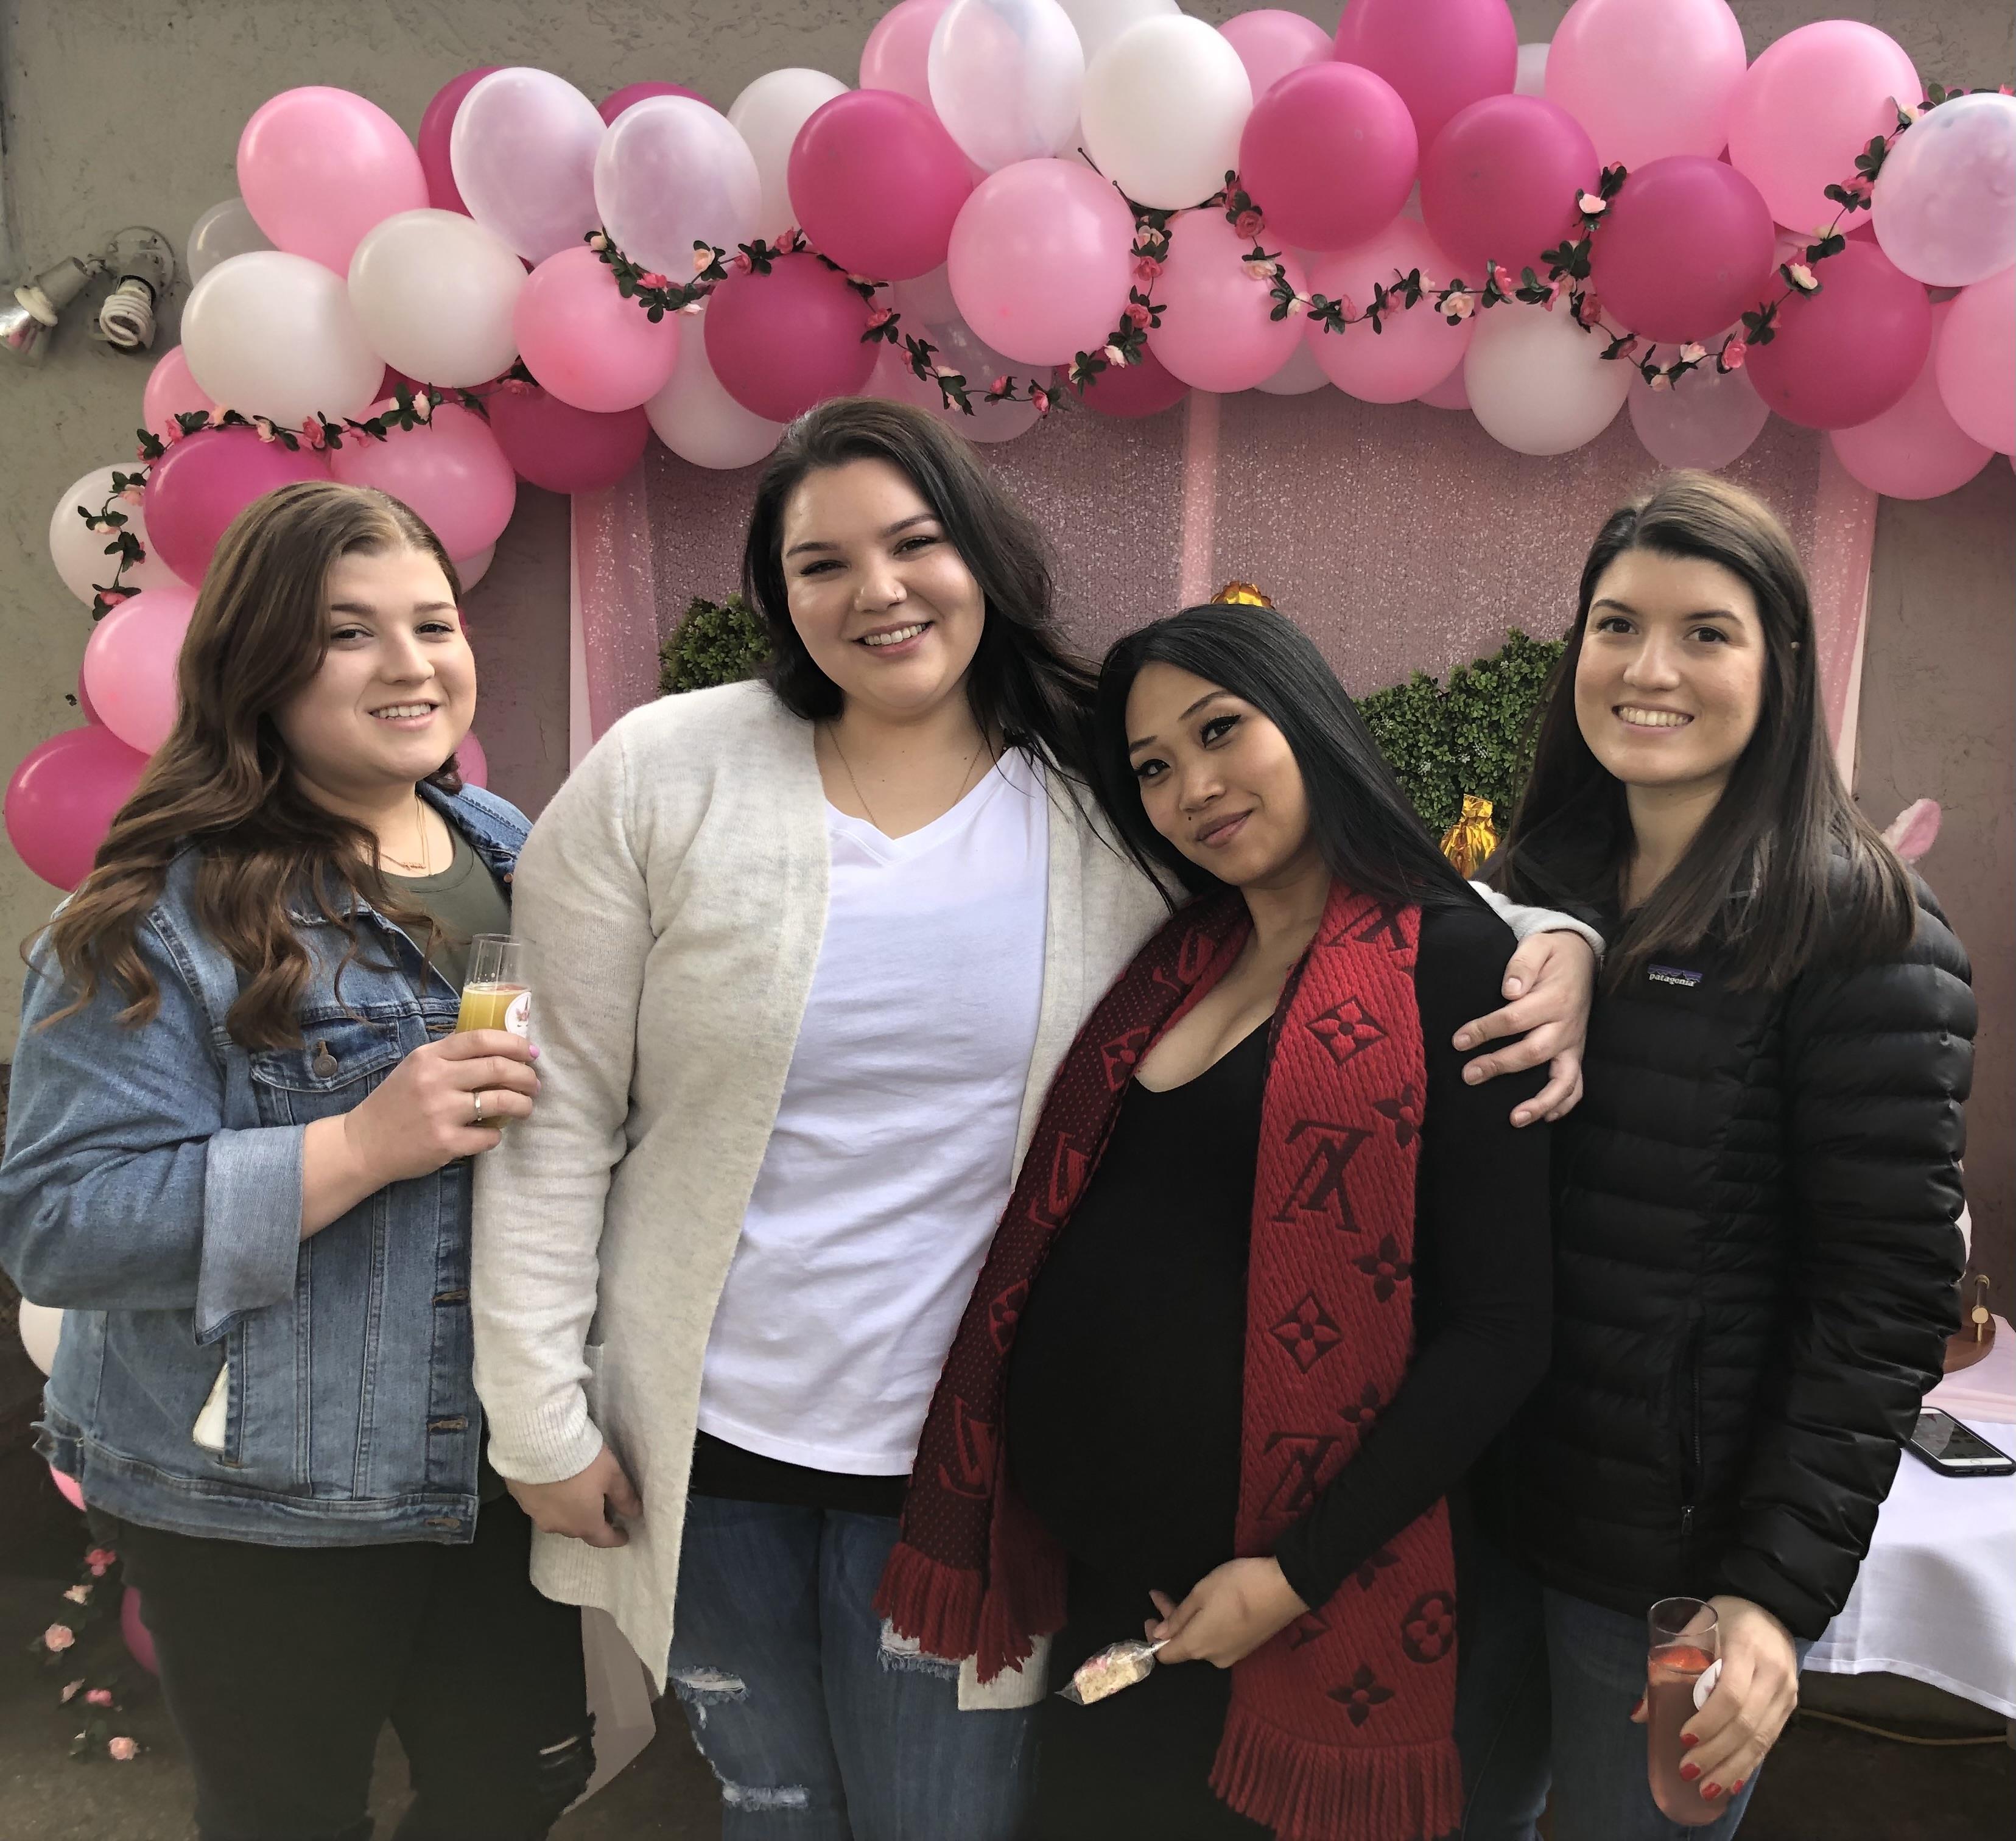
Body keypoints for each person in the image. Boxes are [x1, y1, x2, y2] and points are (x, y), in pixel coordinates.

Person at [470, 397, 1595, 1841]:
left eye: (915, 542)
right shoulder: (663, 774)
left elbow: (1347, 882)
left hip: (959, 1464)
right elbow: (553, 1113)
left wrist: (1565, 945)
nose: (875, 591)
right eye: (821, 563)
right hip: (704, 1442)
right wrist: (536, 1415)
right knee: (773, 1812)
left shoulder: (1099, 783)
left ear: (984, 556)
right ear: (781, 596)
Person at [877, 602, 1558, 1841]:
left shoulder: (1454, 964)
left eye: (1219, 731)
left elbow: (1501, 1332)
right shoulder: (1180, 954)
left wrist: (1293, 1574)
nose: (1192, 786)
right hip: (1108, 1585)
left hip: (1287, 1596)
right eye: (1152, 767)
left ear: (1306, 717)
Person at [0, 481, 590, 1841]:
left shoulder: (520, 855)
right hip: (259, 1499)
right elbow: (61, 1225)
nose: (411, 664)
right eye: (348, 634)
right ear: (259, 663)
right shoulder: (157, 912)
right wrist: (358, 1145)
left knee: (519, 1788)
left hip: (495, 1456)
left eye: (433, 623)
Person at [1457, 474, 1973, 1840]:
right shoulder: (1527, 891)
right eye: (1617, 625)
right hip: (1470, 1510)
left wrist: (1769, 1592)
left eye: (1706, 633)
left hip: (1665, 1574)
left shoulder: (1864, 936)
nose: (1648, 669)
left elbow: (1884, 1305)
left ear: (1783, 665)